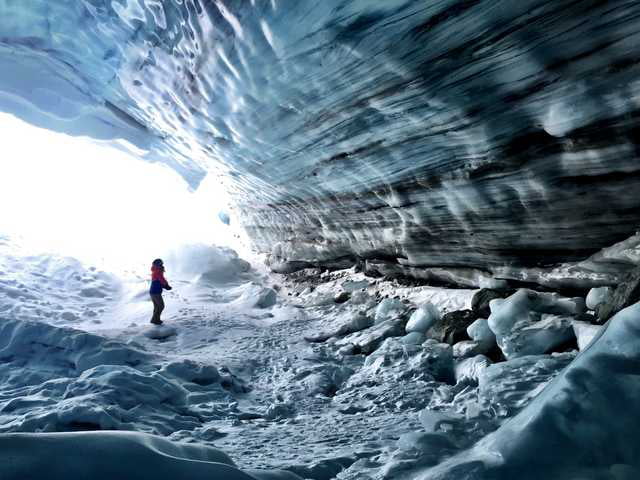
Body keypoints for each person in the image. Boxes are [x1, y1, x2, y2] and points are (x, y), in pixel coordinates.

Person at [149, 258, 172, 325]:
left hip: (154, 291)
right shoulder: (157, 271)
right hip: (155, 292)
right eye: (161, 264)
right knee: (161, 306)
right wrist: (166, 285)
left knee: (157, 306)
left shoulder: (156, 271)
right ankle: (155, 320)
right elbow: (161, 279)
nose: (162, 265)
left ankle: (155, 320)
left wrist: (164, 286)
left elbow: (159, 281)